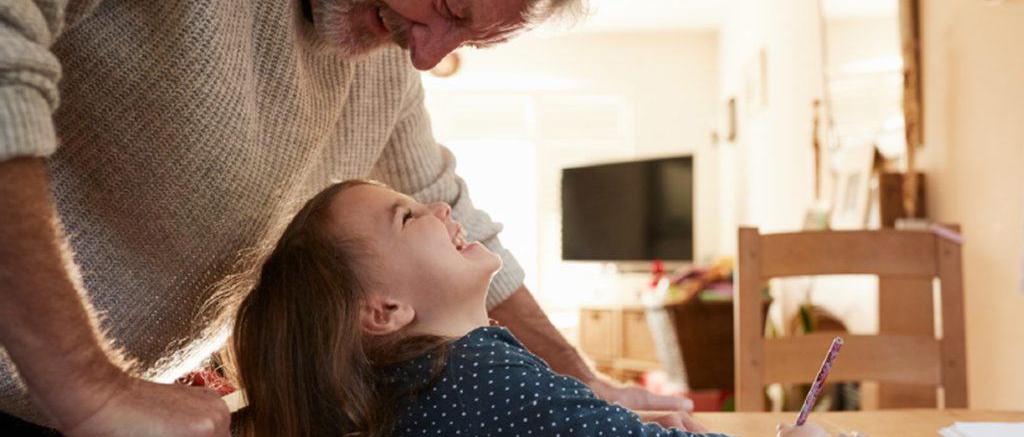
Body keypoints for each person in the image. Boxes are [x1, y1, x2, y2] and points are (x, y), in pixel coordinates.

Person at [0, 0, 694, 434]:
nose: (427, 57)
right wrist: (85, 385)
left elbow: (443, 204)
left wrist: (582, 383)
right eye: (450, 5)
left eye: (468, 38)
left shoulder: (380, 62)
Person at [229, 179, 832, 437]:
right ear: (383, 309)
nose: (443, 210)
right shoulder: (475, 376)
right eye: (408, 217)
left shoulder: (415, 393)